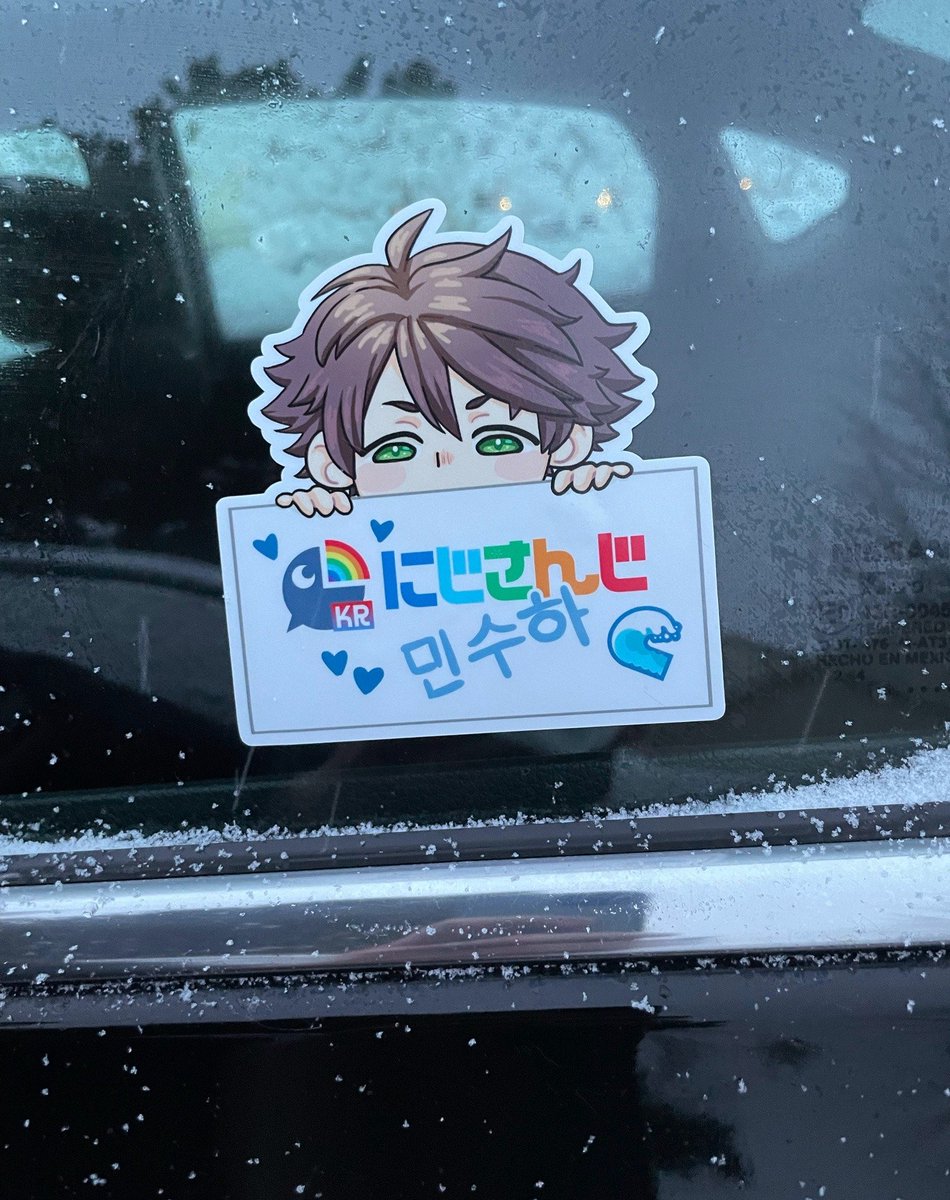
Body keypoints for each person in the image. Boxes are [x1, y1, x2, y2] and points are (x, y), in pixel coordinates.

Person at [255, 205, 654, 517]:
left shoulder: (577, 514)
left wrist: (611, 509)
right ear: (330, 465)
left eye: (498, 441)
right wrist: (313, 538)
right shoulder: (329, 539)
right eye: (396, 450)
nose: (446, 471)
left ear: (570, 444)